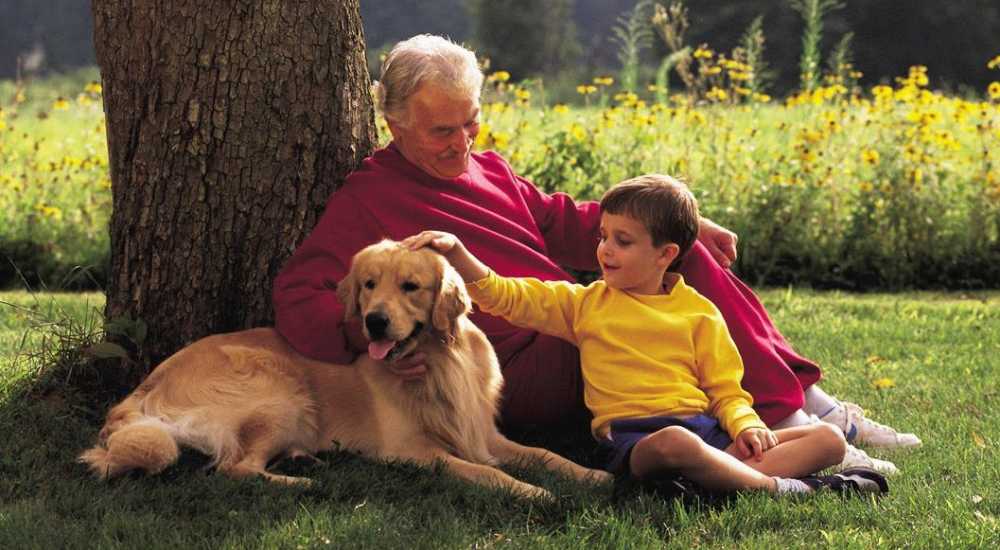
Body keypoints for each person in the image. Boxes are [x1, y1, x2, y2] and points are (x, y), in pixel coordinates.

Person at [271, 34, 919, 475]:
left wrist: (689, 226)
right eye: (443, 130)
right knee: (639, 307)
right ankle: (791, 426)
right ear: (396, 122)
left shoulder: (488, 168)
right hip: (518, 364)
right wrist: (371, 343)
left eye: (472, 122)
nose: (462, 142)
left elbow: (564, 220)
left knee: (672, 251)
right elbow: (298, 297)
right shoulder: (368, 199)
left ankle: (810, 409)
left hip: (575, 317)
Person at [400, 175, 887, 496]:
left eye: (622, 241)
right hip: (636, 442)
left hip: (708, 434)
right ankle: (784, 488)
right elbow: (506, 296)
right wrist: (460, 256)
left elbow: (726, 390)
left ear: (664, 255)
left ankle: (715, 483)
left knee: (827, 439)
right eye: (603, 237)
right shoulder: (585, 304)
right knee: (675, 443)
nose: (604, 251)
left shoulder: (699, 313)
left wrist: (745, 427)